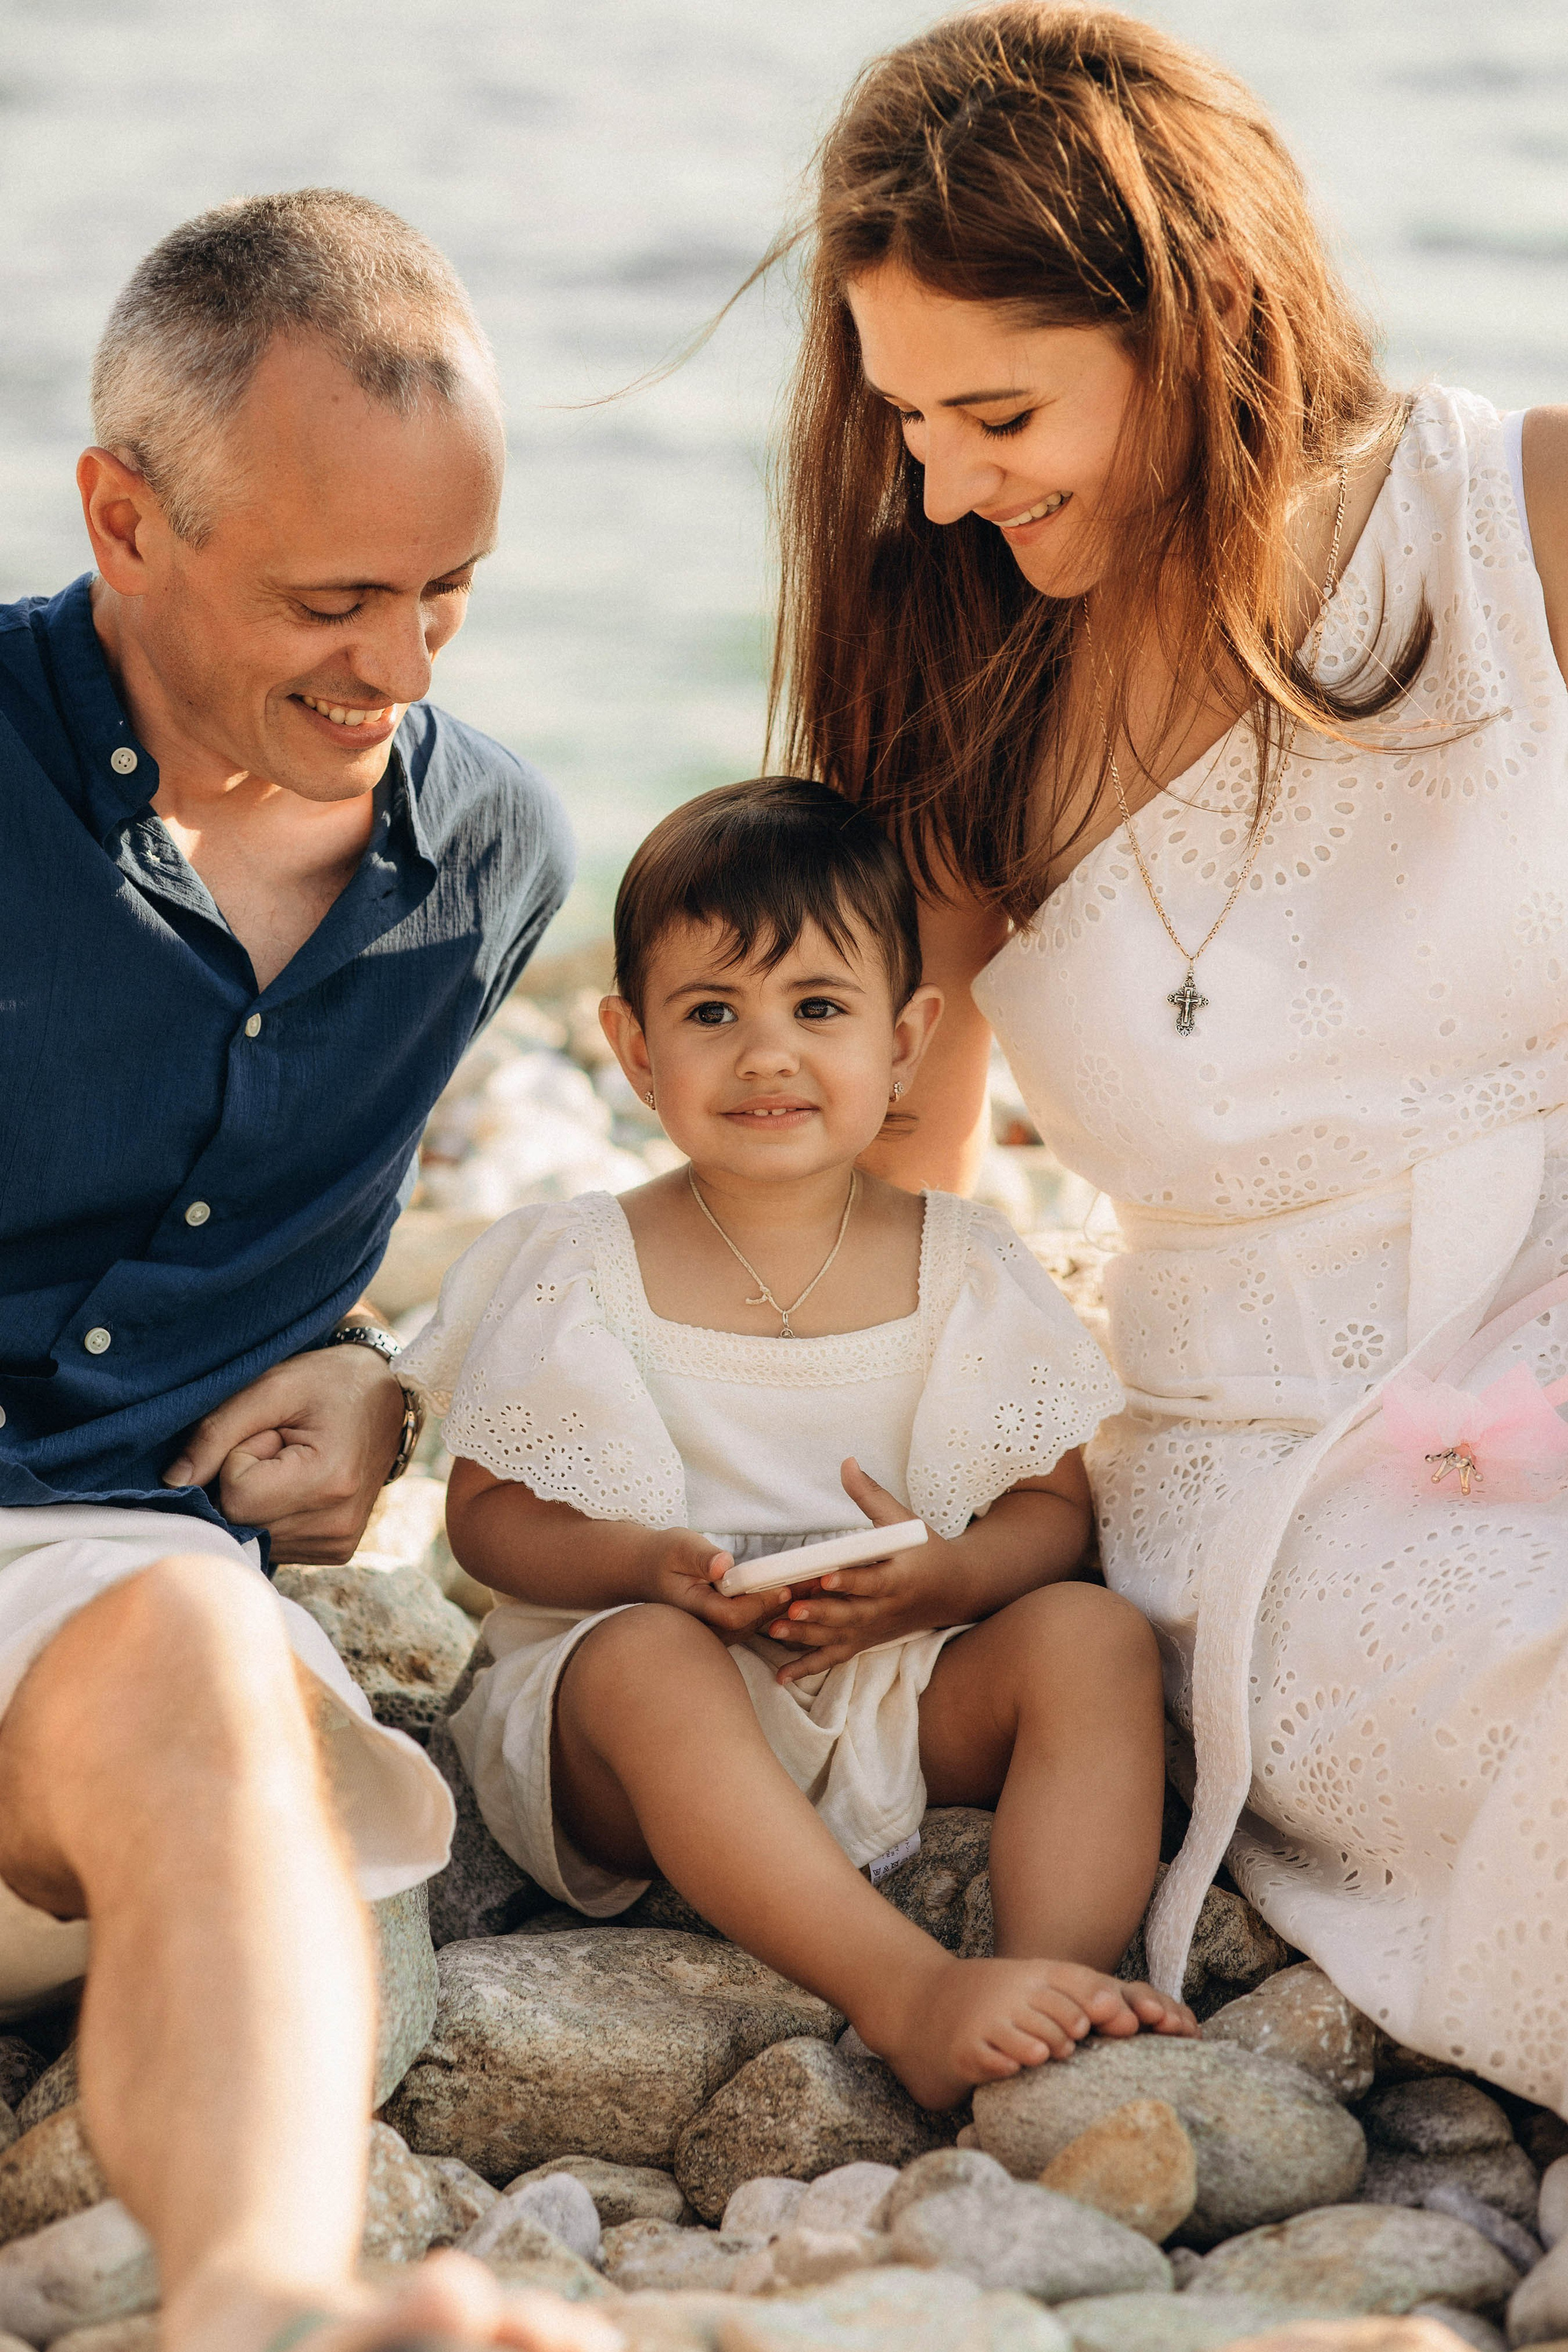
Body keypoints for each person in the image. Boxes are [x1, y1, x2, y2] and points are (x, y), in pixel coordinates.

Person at [766, 0, 1568, 2114]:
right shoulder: (959, 710)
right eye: (906, 417)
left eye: (999, 409)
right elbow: (880, 1213)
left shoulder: (1526, 521)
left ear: (1203, 318)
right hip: (1287, 1469)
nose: (939, 484)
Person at [0, 192, 612, 2352]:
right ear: (124, 517)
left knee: (189, 1646)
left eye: (450, 595)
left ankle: (260, 2303)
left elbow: (312, 1244)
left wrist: (373, 1372)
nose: (401, 669)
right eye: (336, 597)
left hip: (91, 1637)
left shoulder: (492, 863)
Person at [403, 777, 1194, 2107]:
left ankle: (1053, 1978)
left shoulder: (960, 1264)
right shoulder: (585, 1262)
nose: (765, 1056)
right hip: (627, 1734)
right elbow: (482, 1521)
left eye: (817, 1010)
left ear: (904, 1039)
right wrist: (639, 1566)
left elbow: (1052, 1510)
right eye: (711, 1015)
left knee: (1090, 1637)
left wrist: (940, 1581)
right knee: (649, 1662)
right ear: (633, 1048)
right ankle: (907, 1992)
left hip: (886, 1690)